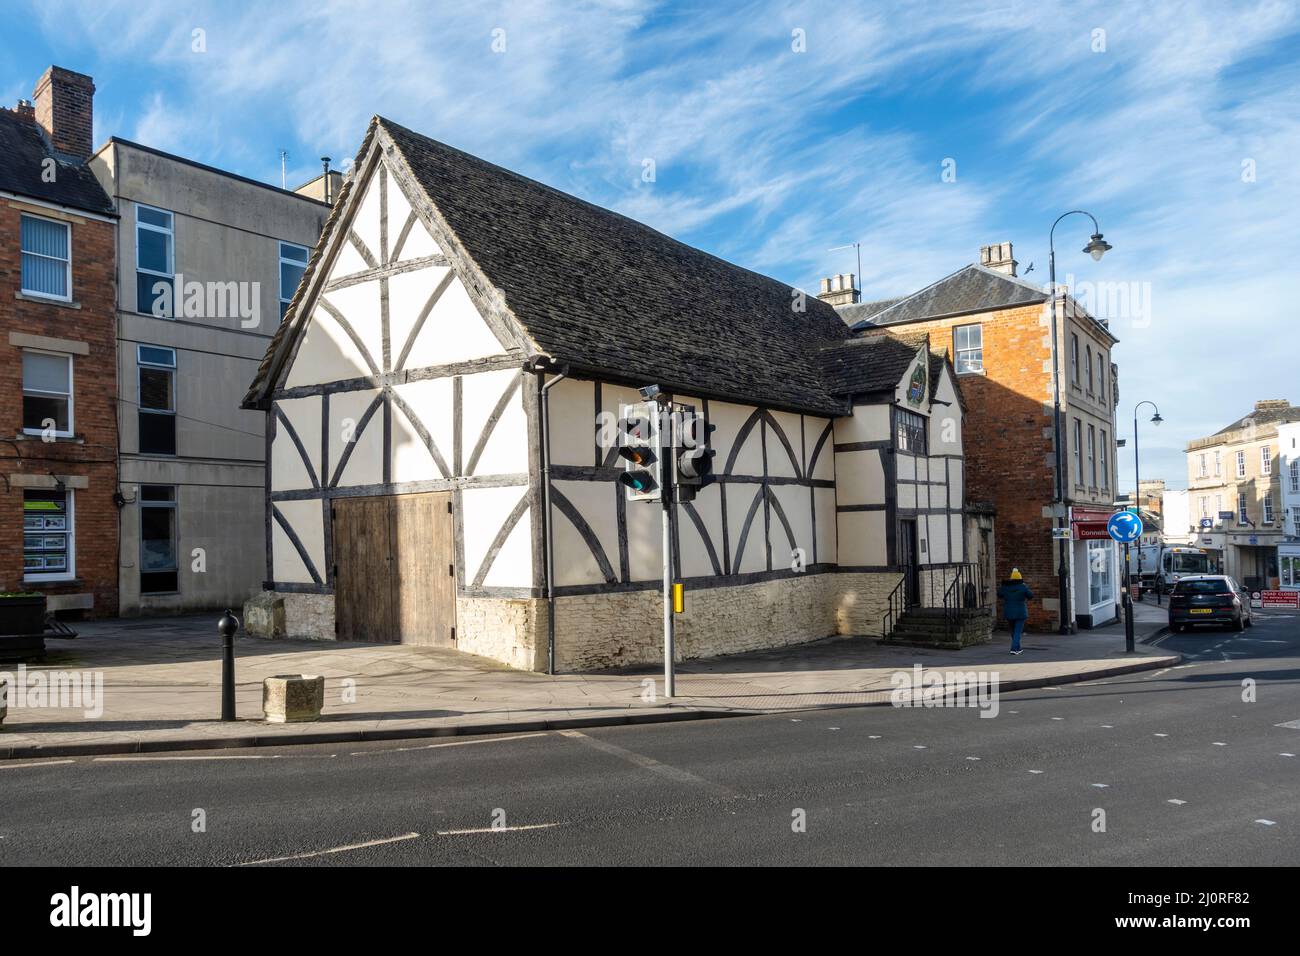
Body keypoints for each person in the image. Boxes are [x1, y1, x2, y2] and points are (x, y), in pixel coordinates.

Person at [997, 568, 1033, 655]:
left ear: (1011, 578)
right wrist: (1025, 587)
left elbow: (999, 595)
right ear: (1020, 578)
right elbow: (1031, 596)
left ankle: (1018, 648)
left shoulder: (1005, 587)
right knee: (1017, 631)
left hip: (1009, 612)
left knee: (1013, 631)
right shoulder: (1023, 587)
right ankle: (1013, 648)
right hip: (1020, 612)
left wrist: (1004, 587)